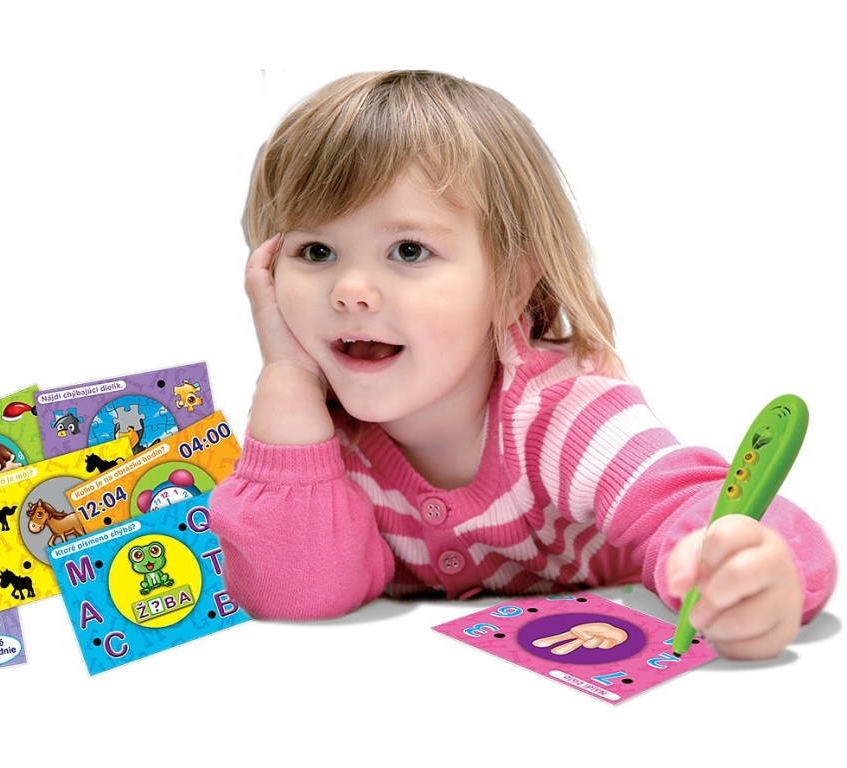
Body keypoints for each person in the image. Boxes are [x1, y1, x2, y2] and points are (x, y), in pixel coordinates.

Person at [210, 70, 836, 660]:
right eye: (316, 251)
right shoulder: (308, 443)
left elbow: (698, 502)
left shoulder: (563, 413)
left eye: (409, 250)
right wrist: (287, 377)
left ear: (510, 283)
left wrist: (740, 568)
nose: (350, 291)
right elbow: (299, 595)